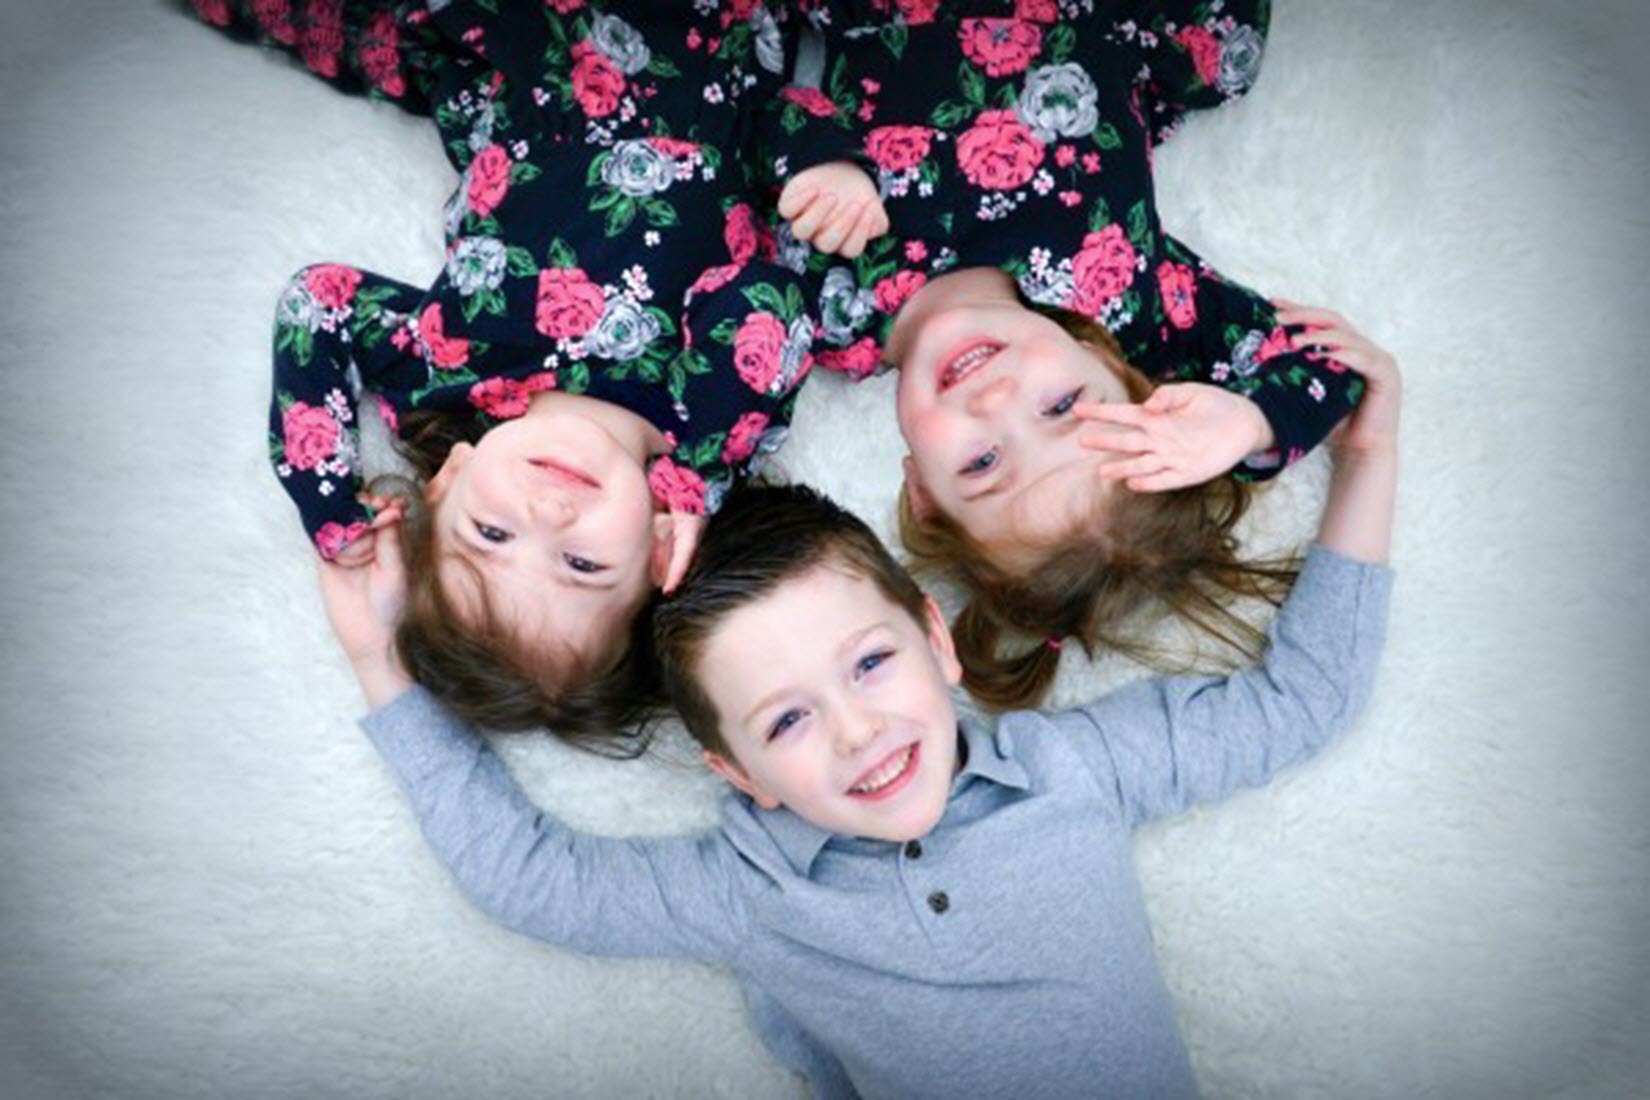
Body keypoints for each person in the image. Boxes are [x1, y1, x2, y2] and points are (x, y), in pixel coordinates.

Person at [319, 309, 1399, 1097]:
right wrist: (380, 658)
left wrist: (1368, 454)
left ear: (937, 639)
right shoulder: (746, 889)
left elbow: (1303, 697)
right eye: (784, 721)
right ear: (734, 771)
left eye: (872, 664)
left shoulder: (1077, 769)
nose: (857, 730)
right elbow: (531, 880)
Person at [190, 0, 880, 748]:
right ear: (658, 554)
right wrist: (694, 476)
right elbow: (768, 303)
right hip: (700, 42)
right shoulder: (700, 415)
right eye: (581, 564)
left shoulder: (444, 370)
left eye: (491, 531)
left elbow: (318, 303)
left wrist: (327, 505)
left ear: (449, 479)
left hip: (508, 58)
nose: (547, 516)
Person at [769, 1, 1365, 708]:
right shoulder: (1114, 293)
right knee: (1224, 58)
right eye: (1060, 407)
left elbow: (754, 124)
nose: (995, 401)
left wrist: (815, 158)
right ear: (1111, 365)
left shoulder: (823, 304)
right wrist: (1242, 425)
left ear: (923, 495)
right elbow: (1330, 371)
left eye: (983, 463)